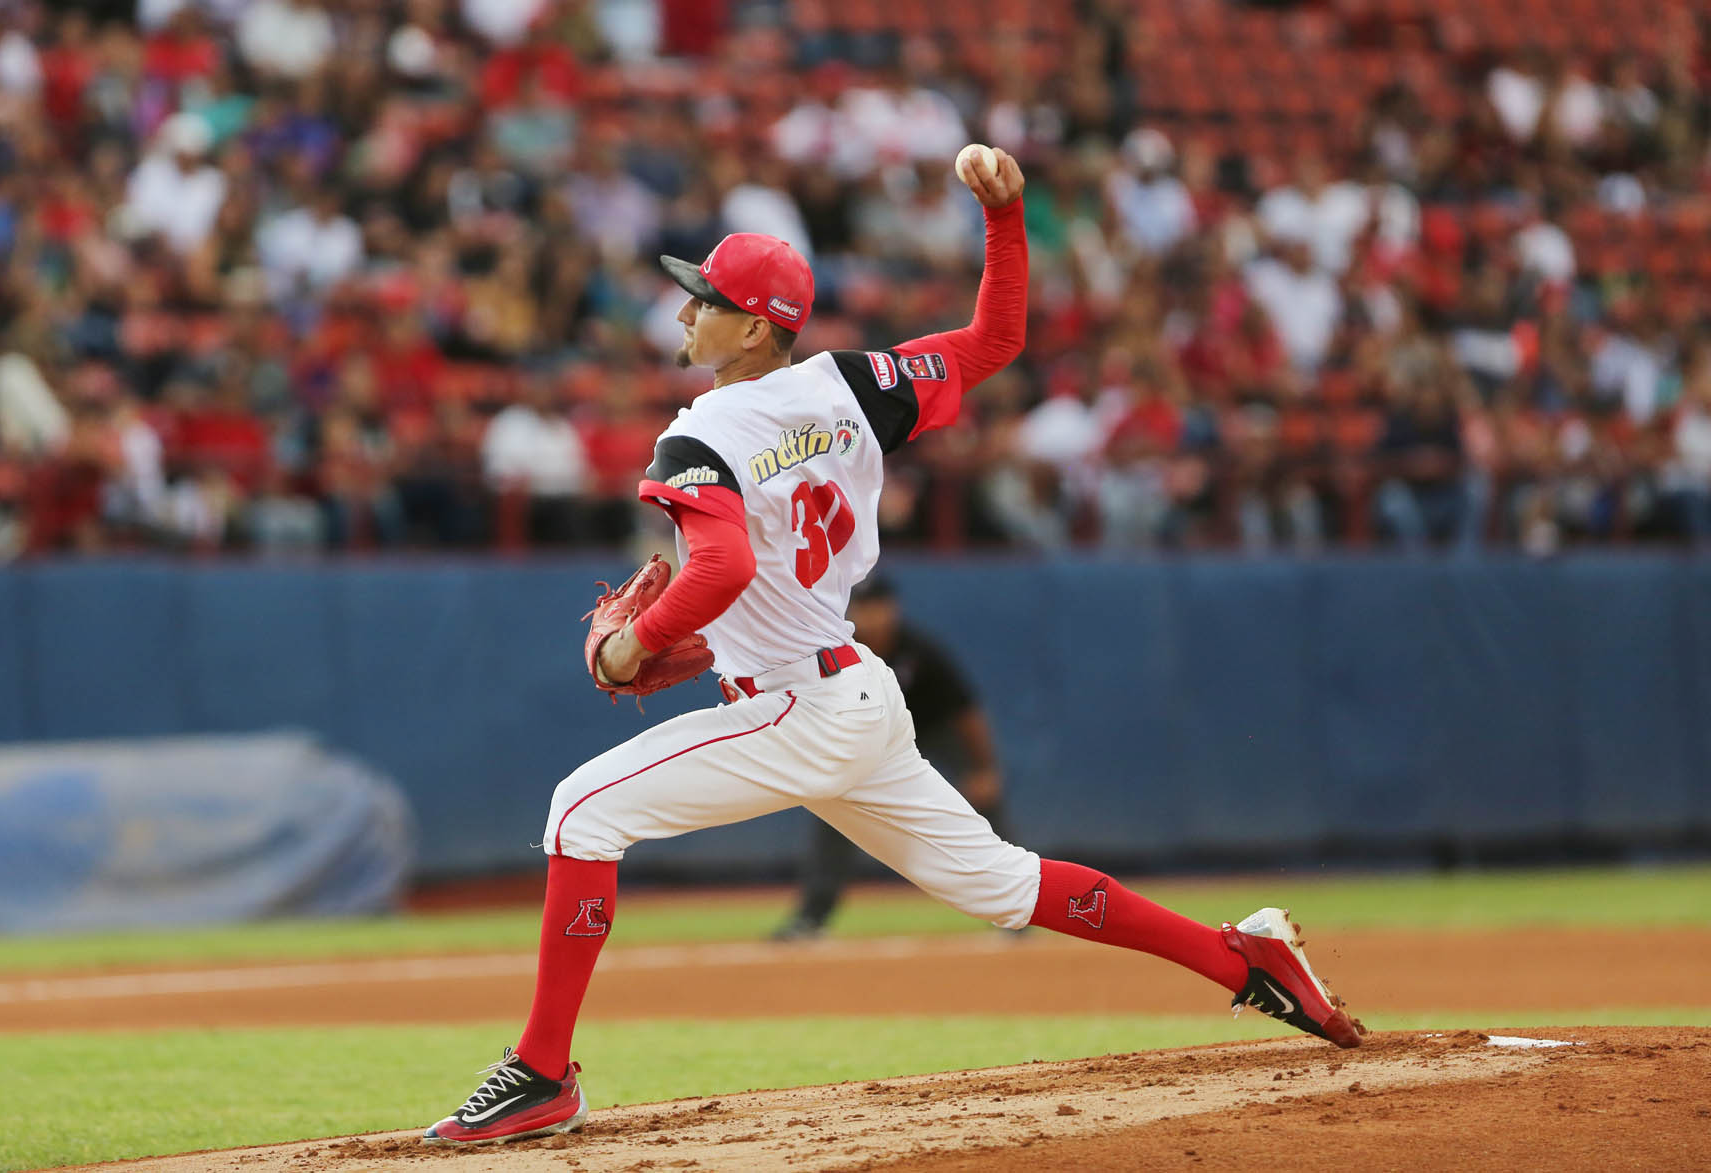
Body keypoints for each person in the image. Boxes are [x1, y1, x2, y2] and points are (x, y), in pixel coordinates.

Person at [422, 145, 1364, 1150]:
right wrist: (1004, 221)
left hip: (795, 703)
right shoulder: (852, 385)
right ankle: (1243, 959)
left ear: (753, 325)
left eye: (706, 299)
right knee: (1003, 883)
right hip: (854, 697)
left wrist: (630, 648)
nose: (686, 310)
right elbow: (996, 339)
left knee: (580, 812)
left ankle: (542, 1073)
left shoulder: (700, 435)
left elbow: (721, 569)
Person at [772, 572, 1012, 939]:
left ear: (893, 609)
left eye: (879, 606)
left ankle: (1016, 904)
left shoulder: (920, 650)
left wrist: (983, 768)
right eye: (864, 607)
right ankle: (812, 917)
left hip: (931, 730)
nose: (872, 616)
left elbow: (966, 713)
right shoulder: (838, 651)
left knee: (985, 800)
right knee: (833, 810)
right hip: (872, 739)